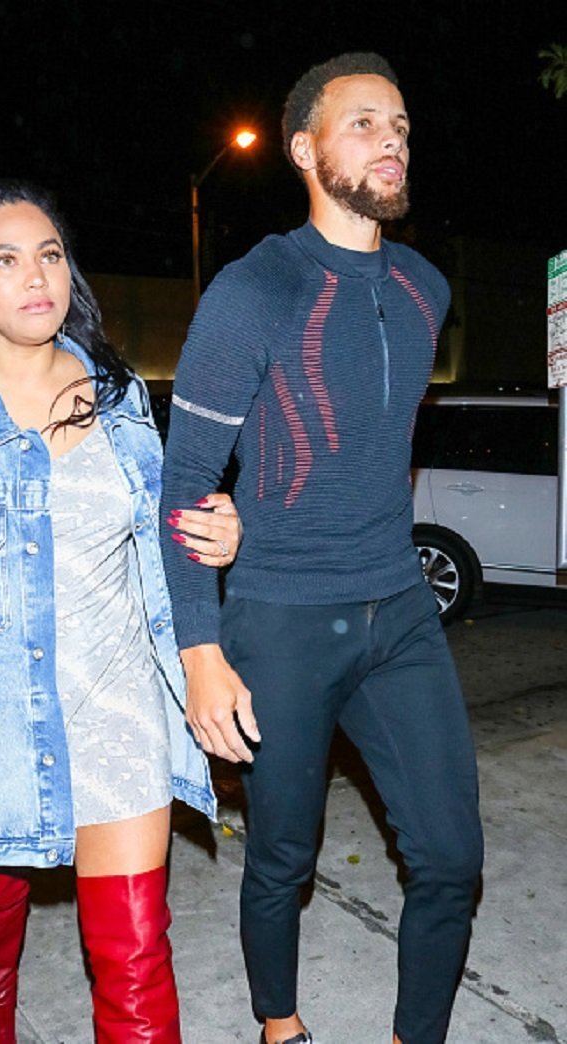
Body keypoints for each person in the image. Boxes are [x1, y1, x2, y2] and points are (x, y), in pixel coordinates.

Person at [0, 179, 243, 1044]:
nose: (36, 276)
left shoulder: (120, 402)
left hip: (119, 706)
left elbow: (164, 535)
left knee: (136, 954)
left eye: (50, 254)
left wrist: (217, 530)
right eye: (4, 259)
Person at [160, 52, 484, 1044]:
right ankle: (280, 1026)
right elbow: (183, 488)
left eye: (401, 126)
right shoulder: (256, 291)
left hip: (399, 612)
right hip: (282, 620)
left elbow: (370, 453)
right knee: (283, 858)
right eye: (364, 123)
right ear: (305, 150)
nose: (391, 140)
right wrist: (202, 652)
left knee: (451, 860)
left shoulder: (426, 287)